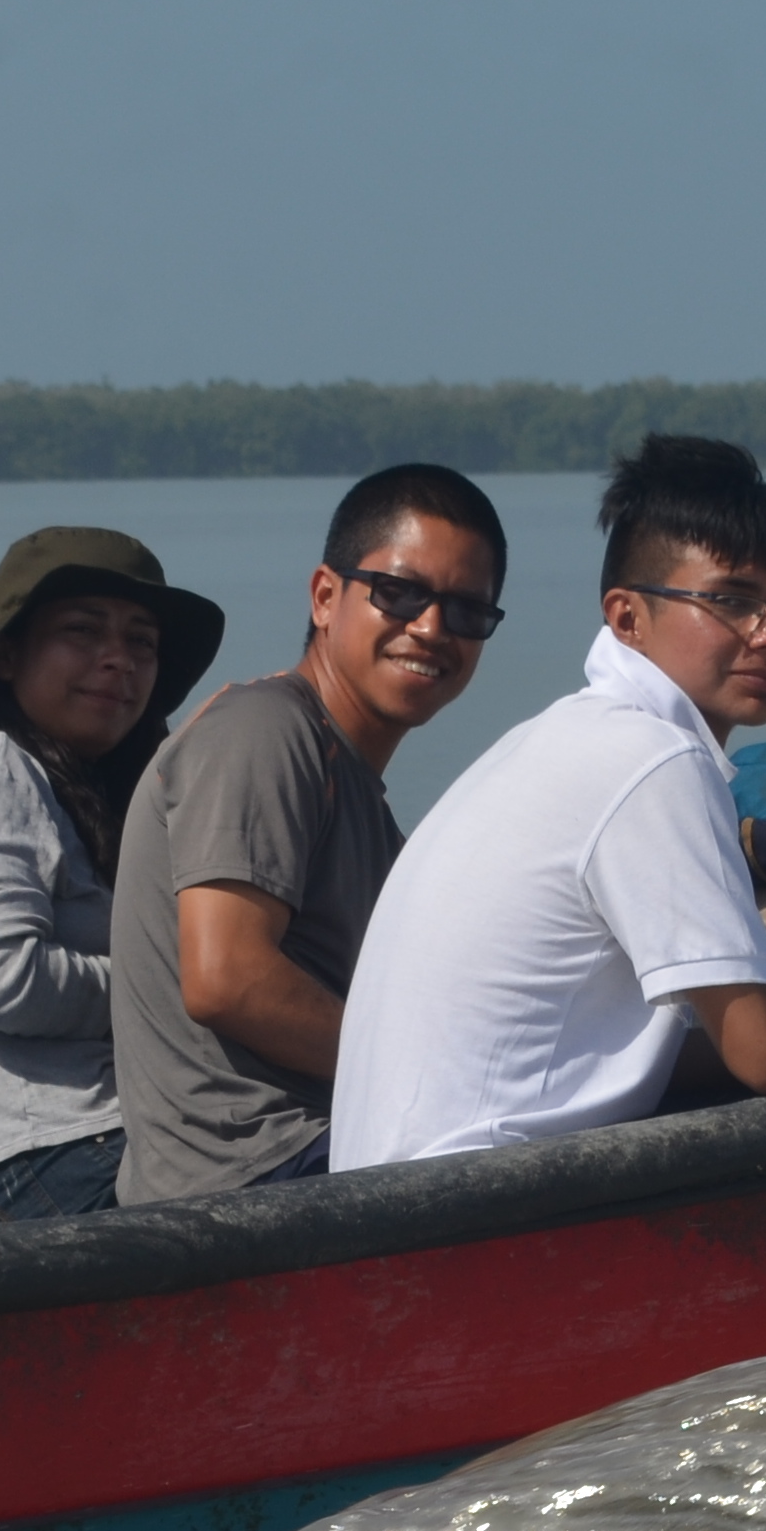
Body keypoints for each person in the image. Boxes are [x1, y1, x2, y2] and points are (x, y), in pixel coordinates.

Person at [335, 438, 766, 1168]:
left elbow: (635, 1060)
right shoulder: (652, 764)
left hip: (386, 1186)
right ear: (627, 617)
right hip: (454, 1205)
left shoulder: (556, 738)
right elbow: (764, 1057)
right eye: (733, 601)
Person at [111, 464, 510, 1203]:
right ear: (327, 596)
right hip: (252, 1174)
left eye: (466, 611)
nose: (431, 628)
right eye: (400, 593)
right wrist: (435, 1068)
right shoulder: (263, 730)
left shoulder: (363, 801)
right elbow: (225, 978)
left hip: (324, 1145)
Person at [0, 528, 228, 1225]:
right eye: (83, 631)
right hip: (38, 1157)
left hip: (96, 1140)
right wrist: (180, 989)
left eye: (141, 643)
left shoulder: (89, 792)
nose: (118, 661)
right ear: (8, 655)